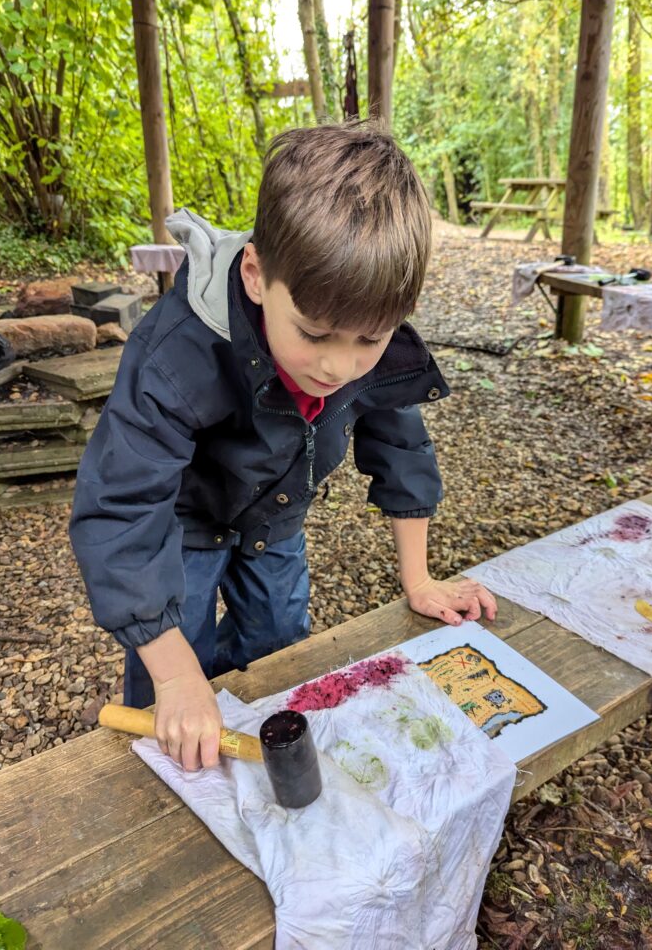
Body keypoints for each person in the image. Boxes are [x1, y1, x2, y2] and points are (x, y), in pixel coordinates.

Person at [70, 121, 496, 772]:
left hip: (276, 510)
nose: (339, 366)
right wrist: (179, 679)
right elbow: (122, 505)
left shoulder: (359, 328)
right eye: (314, 333)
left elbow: (399, 442)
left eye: (368, 340)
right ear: (253, 274)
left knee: (278, 648)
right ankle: (161, 792)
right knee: (173, 674)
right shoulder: (175, 352)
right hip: (181, 522)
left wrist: (418, 578)